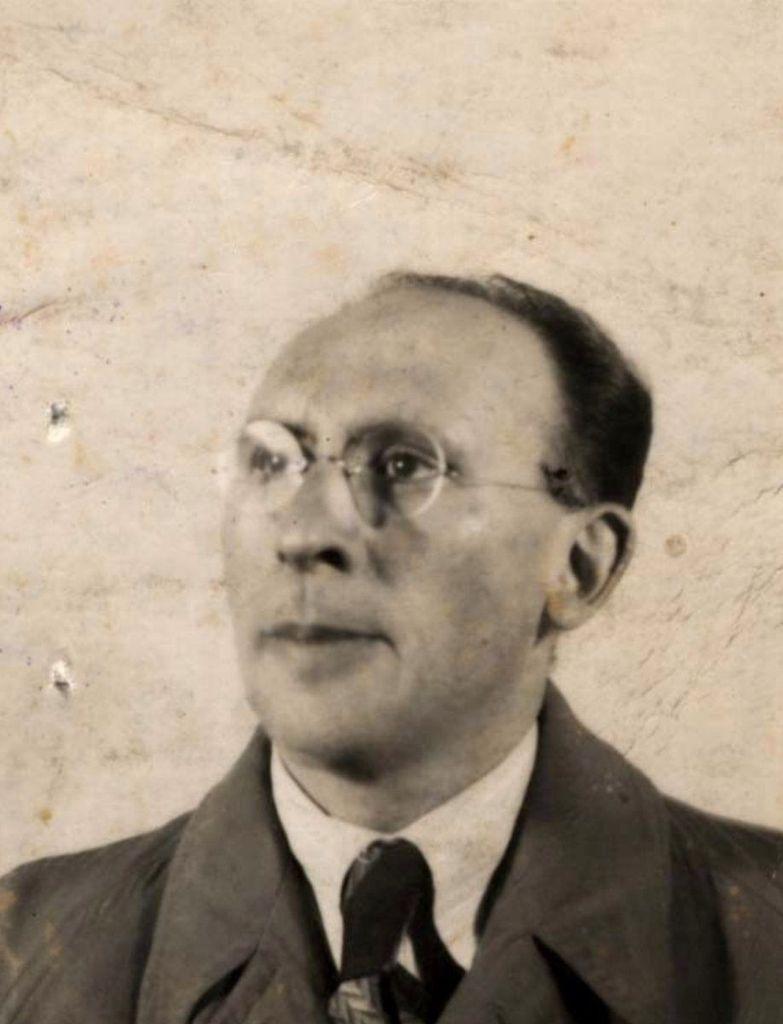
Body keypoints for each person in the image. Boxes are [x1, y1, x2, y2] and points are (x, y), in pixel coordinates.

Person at [1, 272, 781, 1024]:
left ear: (579, 567)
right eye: (270, 463)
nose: (302, 532)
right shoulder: (27, 951)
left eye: (403, 466)